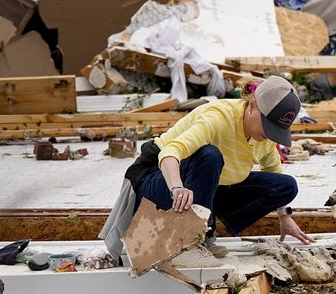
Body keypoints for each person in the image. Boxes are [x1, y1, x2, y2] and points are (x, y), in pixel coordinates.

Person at [101, 76, 313, 260]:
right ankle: (188, 242)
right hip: (156, 182)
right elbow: (169, 153)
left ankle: (204, 231)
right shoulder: (218, 118)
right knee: (209, 155)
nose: (269, 134)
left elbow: (273, 171)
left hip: (200, 188)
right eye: (268, 126)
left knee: (286, 186)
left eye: (276, 130)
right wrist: (177, 188)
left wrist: (285, 217)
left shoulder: (263, 138)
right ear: (252, 106)